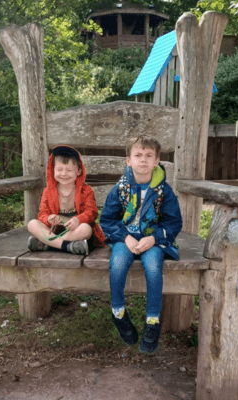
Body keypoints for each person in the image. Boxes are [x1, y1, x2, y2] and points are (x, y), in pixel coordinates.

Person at [100, 135, 182, 355]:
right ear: (129, 160)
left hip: (153, 240)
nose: (143, 160)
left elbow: (174, 221)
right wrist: (125, 237)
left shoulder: (163, 191)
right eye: (138, 155)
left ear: (156, 161)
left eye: (148, 156)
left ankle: (152, 321)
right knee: (117, 264)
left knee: (154, 266)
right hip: (125, 238)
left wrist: (154, 238)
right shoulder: (121, 188)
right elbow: (107, 220)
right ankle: (118, 313)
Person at [27, 145, 105, 255]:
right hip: (54, 230)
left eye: (69, 170)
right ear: (53, 170)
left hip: (74, 230)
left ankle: (48, 244)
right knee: (32, 224)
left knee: (86, 229)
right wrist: (49, 219)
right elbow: (43, 213)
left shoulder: (86, 190)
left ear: (78, 171)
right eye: (59, 169)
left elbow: (92, 212)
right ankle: (67, 246)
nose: (64, 174)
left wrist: (78, 219)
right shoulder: (48, 191)